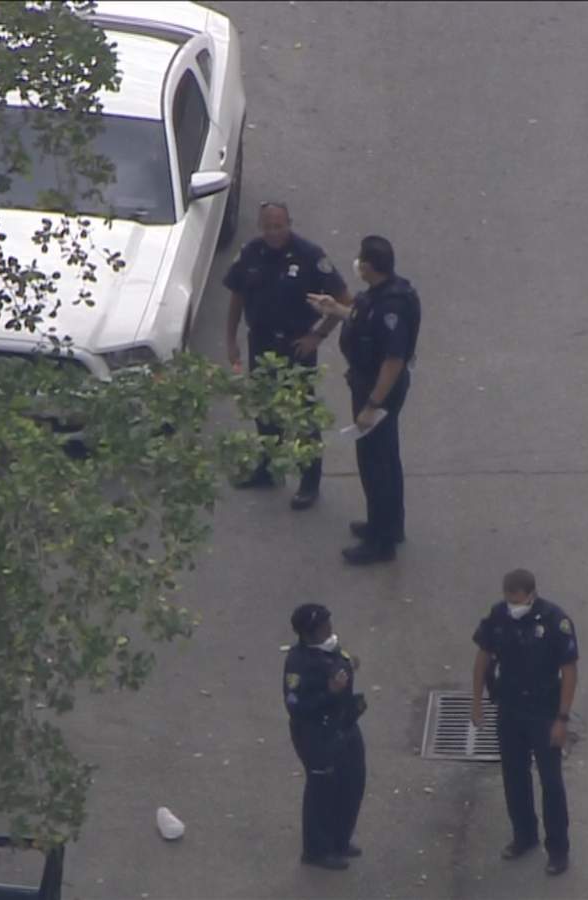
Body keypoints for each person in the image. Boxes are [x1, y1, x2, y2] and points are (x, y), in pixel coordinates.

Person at [223, 202, 351, 510]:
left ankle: (309, 482)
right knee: (266, 409)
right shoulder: (251, 253)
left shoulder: (310, 256)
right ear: (260, 226)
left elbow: (344, 300)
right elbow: (237, 295)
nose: (274, 232)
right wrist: (230, 339)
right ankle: (269, 469)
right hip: (262, 343)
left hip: (296, 347)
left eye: (279, 226)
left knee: (302, 414)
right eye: (268, 226)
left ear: (289, 223)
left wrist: (317, 335)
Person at [308, 235, 421, 564]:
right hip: (369, 386)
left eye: (360, 260)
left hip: (378, 391)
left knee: (376, 466)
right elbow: (364, 320)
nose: (356, 263)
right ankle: (387, 525)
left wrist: (372, 406)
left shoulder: (393, 307)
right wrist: (336, 310)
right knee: (384, 458)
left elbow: (393, 360)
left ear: (369, 267)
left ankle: (381, 542)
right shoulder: (381, 295)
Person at [470, 568, 578, 875]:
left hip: (543, 711)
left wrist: (562, 718)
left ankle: (557, 848)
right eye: (507, 599)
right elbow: (483, 658)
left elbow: (569, 671)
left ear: (530, 595)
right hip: (510, 708)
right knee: (514, 776)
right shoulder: (499, 615)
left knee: (551, 783)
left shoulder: (555, 621)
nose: (511, 605)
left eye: (516, 599)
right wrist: (476, 703)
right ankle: (524, 835)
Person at [282, 602, 368, 870]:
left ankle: (339, 839)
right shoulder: (298, 662)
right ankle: (317, 849)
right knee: (322, 791)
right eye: (323, 626)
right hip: (316, 735)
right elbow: (295, 705)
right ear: (309, 633)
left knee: (352, 782)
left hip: (344, 726)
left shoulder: (330, 647)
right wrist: (329, 692)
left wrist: (351, 663)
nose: (330, 628)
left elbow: (341, 661)